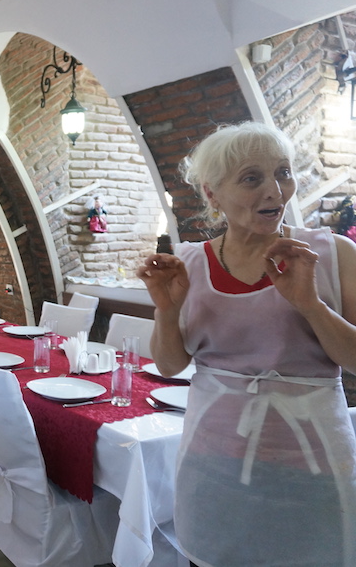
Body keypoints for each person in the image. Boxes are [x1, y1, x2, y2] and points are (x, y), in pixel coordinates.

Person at [136, 121, 356, 566]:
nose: (275, 191)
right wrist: (167, 309)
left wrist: (310, 304)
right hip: (212, 463)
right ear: (212, 194)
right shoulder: (190, 262)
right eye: (252, 178)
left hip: (312, 465)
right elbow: (169, 366)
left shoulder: (331, 254)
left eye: (283, 173)